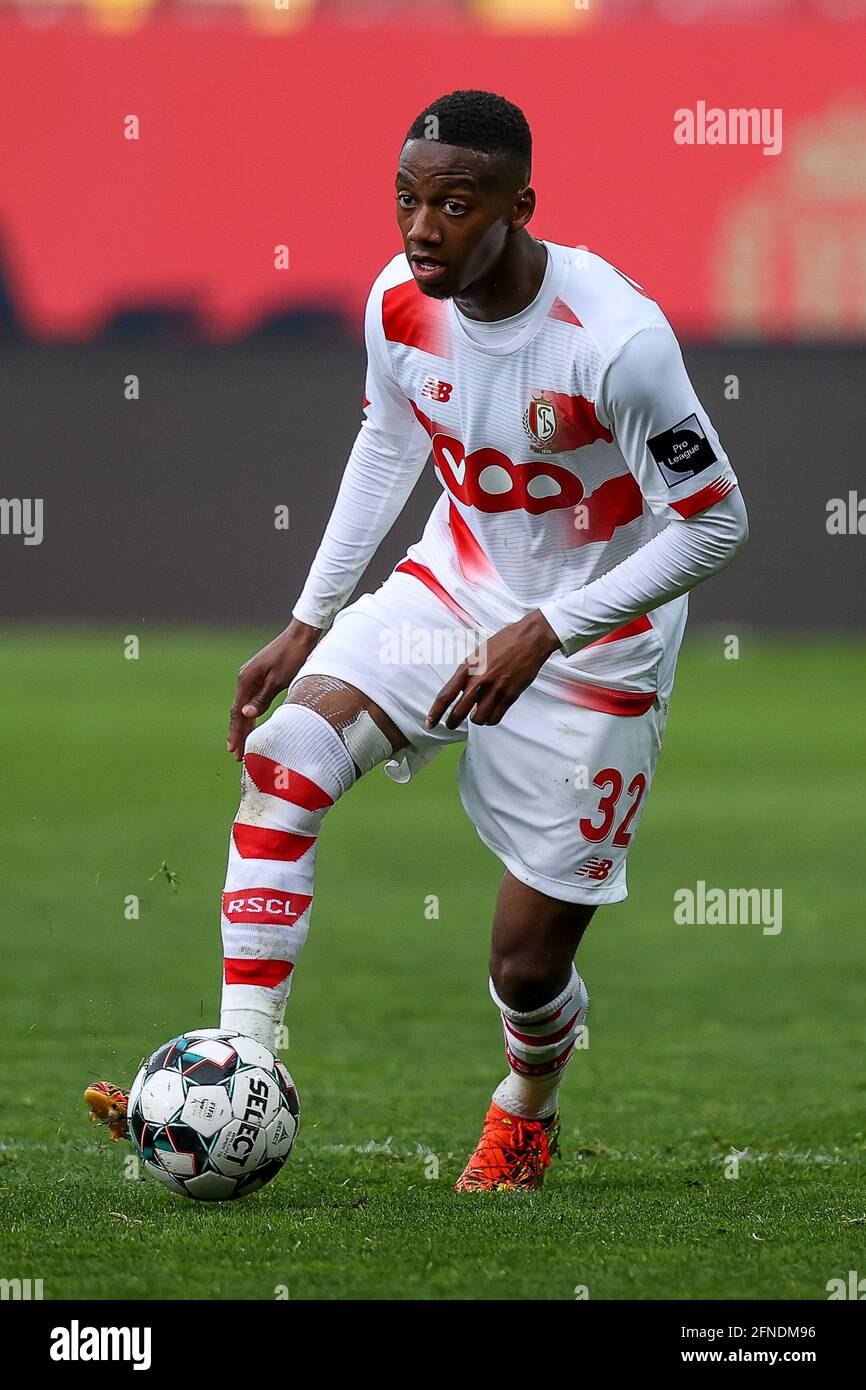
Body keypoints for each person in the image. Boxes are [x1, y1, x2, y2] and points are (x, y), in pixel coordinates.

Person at [86, 89, 748, 1192]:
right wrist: (310, 618)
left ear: (519, 205)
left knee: (526, 969)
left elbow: (717, 519)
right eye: (406, 198)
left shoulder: (618, 344)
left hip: (595, 634)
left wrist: (551, 626)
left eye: (454, 202)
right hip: (453, 583)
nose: (421, 228)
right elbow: (388, 451)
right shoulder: (397, 303)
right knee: (284, 756)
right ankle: (239, 1062)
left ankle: (527, 1099)